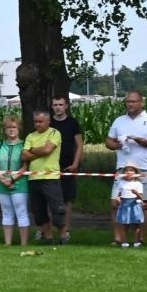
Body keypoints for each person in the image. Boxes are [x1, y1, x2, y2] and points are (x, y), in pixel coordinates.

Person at [105, 91, 147, 245]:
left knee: (143, 203)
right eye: (128, 102)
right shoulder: (119, 121)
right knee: (115, 202)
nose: (130, 104)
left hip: (144, 169)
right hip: (122, 168)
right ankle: (118, 237)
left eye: (133, 101)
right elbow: (108, 142)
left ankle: (141, 237)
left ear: (141, 102)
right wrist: (119, 144)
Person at [23, 109, 64, 245]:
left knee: (57, 209)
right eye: (35, 122)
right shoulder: (30, 136)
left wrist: (32, 150)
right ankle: (48, 237)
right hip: (34, 178)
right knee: (38, 211)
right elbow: (24, 155)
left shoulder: (54, 133)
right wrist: (41, 150)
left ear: (48, 121)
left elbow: (48, 150)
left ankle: (63, 236)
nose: (37, 124)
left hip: (50, 176)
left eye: (40, 122)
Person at [0, 115, 30, 246]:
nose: (11, 130)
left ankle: (24, 243)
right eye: (8, 127)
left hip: (19, 184)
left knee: (21, 212)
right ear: (4, 130)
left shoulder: (24, 145)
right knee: (6, 213)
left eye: (14, 127)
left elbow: (25, 166)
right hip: (0, 184)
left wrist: (11, 179)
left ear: (19, 128)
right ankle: (8, 243)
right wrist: (2, 179)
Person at [49, 95, 83, 243]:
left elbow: (79, 145)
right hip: (51, 166)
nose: (58, 107)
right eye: (55, 105)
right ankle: (48, 231)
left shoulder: (73, 123)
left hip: (68, 166)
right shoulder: (48, 124)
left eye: (60, 104)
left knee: (67, 200)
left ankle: (66, 231)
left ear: (66, 106)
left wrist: (75, 164)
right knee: (51, 199)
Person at [115, 165, 147, 247]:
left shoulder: (138, 184)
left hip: (135, 204)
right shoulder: (121, 183)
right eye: (126, 170)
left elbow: (142, 197)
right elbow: (118, 194)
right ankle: (124, 242)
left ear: (135, 173)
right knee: (124, 224)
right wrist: (118, 199)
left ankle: (136, 242)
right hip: (124, 204)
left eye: (131, 170)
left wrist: (136, 193)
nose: (128, 172)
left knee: (136, 224)